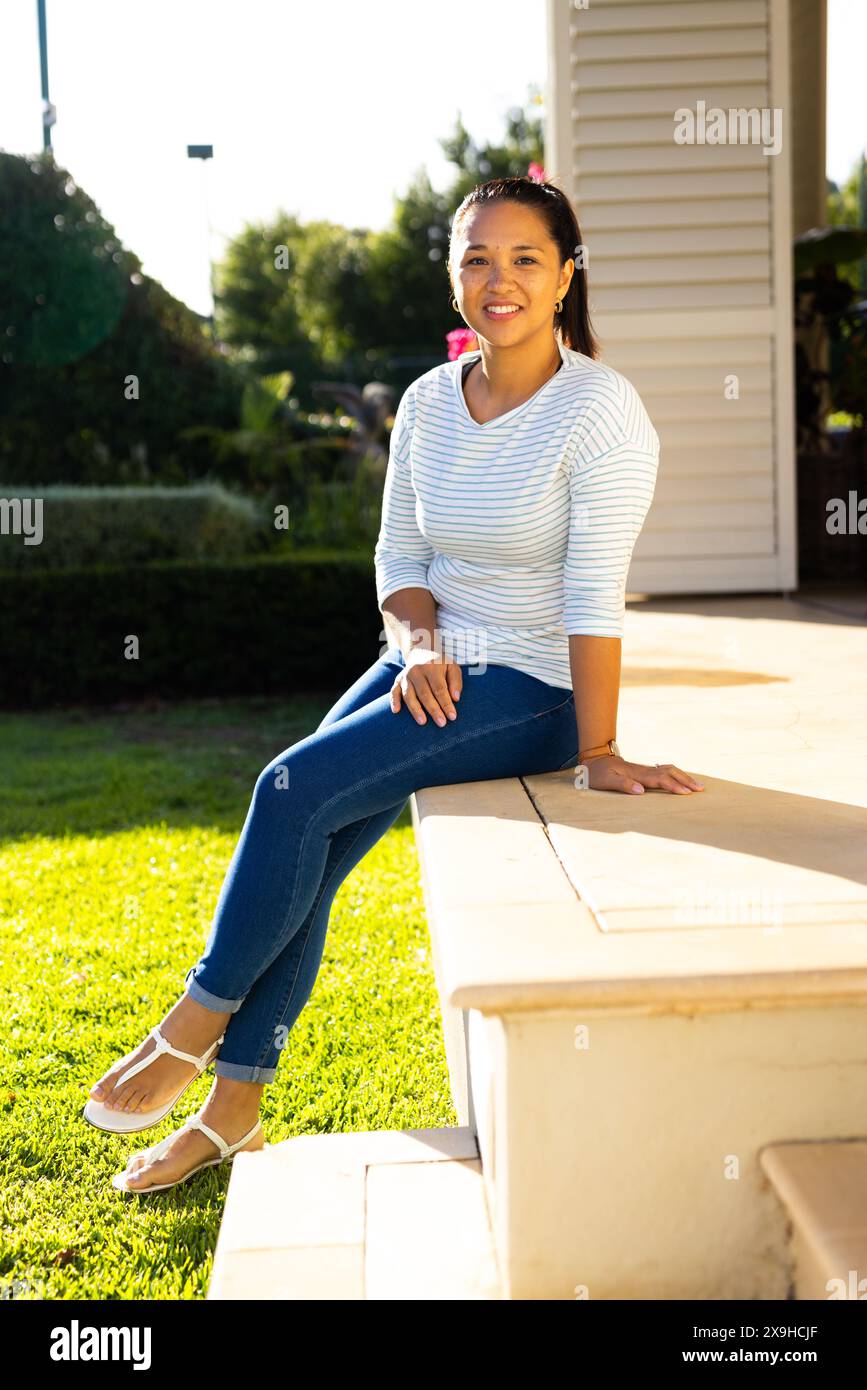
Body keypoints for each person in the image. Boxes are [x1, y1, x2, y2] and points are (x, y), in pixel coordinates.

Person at [84, 174, 703, 1194]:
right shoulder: (426, 400)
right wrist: (415, 646)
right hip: (421, 662)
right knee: (312, 842)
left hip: (532, 684)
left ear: (565, 278)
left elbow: (595, 593)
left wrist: (596, 751)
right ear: (454, 274)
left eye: (524, 259)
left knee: (286, 789)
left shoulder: (602, 413)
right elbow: (398, 556)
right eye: (476, 258)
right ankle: (234, 1110)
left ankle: (190, 1025)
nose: (497, 280)